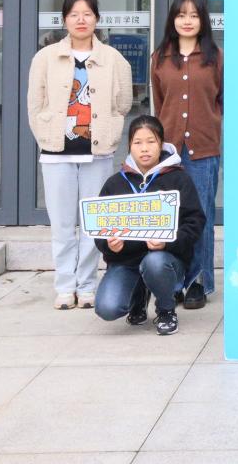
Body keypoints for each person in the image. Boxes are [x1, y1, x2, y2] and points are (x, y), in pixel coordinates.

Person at [26, 0, 133, 310]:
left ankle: (87, 286)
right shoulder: (45, 57)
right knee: (61, 224)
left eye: (87, 14)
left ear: (97, 19)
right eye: (74, 14)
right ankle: (64, 286)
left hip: (96, 153)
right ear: (65, 20)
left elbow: (123, 103)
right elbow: (35, 104)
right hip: (56, 154)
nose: (81, 20)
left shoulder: (113, 58)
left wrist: (110, 129)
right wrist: (46, 131)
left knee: (92, 222)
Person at [92, 115, 204, 335]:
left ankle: (166, 309)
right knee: (107, 308)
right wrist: (109, 245)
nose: (145, 148)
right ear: (129, 146)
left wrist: (168, 242)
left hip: (165, 260)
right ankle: (138, 296)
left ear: (161, 144)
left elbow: (195, 222)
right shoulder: (115, 183)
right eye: (138, 142)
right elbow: (100, 229)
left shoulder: (179, 179)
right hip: (126, 262)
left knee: (154, 262)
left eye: (151, 141)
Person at [150, 0, 222, 310]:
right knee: (171, 216)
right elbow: (158, 103)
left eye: (194, 15)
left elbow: (223, 101)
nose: (187, 21)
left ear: (202, 20)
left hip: (203, 149)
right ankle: (175, 281)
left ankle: (198, 282)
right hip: (168, 151)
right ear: (173, 20)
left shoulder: (216, 57)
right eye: (181, 15)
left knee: (200, 215)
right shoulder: (160, 58)